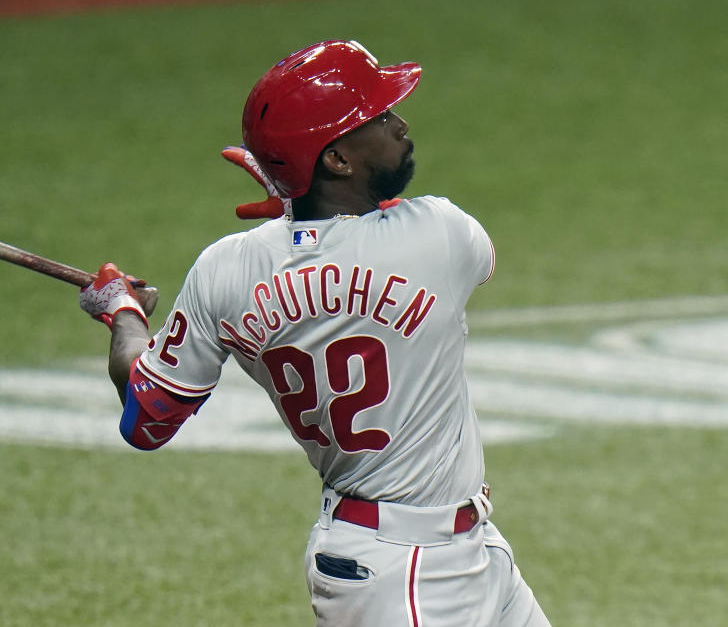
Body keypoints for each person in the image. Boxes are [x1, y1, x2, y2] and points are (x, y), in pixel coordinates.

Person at [79, 40, 551, 626]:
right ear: (337, 161)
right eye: (376, 119)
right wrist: (293, 203)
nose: (399, 124)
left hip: (431, 553)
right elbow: (383, 237)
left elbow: (145, 419)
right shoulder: (442, 234)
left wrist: (121, 309)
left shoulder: (225, 272)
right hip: (404, 574)